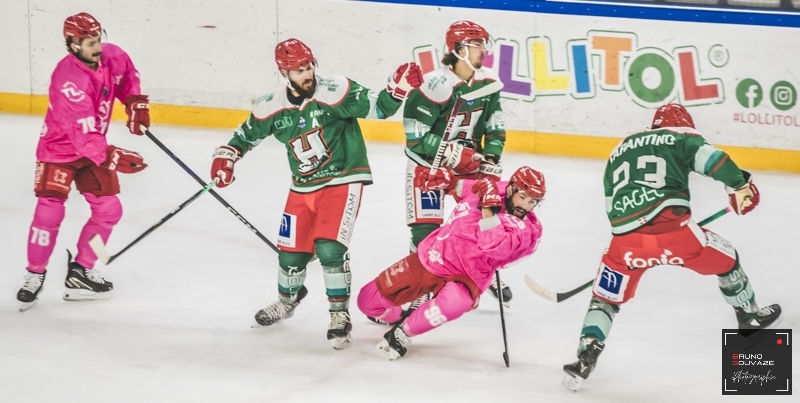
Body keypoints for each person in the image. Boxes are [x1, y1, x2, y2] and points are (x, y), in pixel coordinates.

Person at [210, 38, 423, 350]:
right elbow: (245, 135)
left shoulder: (335, 89)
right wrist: (226, 156)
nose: (307, 73)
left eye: (308, 66)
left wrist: (398, 87)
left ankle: (340, 315)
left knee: (329, 250)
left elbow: (379, 107)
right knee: (290, 257)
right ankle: (287, 302)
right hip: (302, 187)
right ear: (285, 73)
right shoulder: (271, 105)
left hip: (343, 178)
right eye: (298, 70)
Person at [562, 104, 782, 392]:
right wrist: (739, 186)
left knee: (604, 300)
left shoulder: (621, 148)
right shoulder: (680, 138)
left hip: (625, 243)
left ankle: (585, 355)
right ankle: (748, 315)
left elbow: (611, 205)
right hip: (676, 235)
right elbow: (716, 162)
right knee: (727, 259)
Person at [17, 12, 149, 311]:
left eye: (98, 40)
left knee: (110, 211)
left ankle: (82, 270)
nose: (97, 47)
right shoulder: (68, 80)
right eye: (90, 43)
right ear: (73, 44)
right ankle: (34, 274)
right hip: (59, 151)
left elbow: (128, 75)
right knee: (49, 213)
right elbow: (81, 134)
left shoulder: (112, 56)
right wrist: (114, 156)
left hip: (94, 149)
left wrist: (135, 102)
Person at [358, 165, 545, 360]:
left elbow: (493, 244)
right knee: (367, 301)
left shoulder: (526, 230)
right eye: (523, 197)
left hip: (467, 276)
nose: (525, 206)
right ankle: (396, 317)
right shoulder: (495, 189)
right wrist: (447, 181)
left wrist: (488, 208)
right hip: (433, 256)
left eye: (533, 201)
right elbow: (464, 188)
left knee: (456, 303)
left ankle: (403, 332)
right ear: (512, 189)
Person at [402, 20, 512, 305]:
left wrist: (490, 155)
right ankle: (419, 287)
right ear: (458, 49)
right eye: (476, 44)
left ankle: (479, 270)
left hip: (468, 166)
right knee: (426, 233)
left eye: (483, 44)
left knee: (484, 219)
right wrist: (457, 155)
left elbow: (495, 127)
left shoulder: (489, 82)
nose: (483, 50)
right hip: (428, 168)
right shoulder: (433, 86)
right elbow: (416, 138)